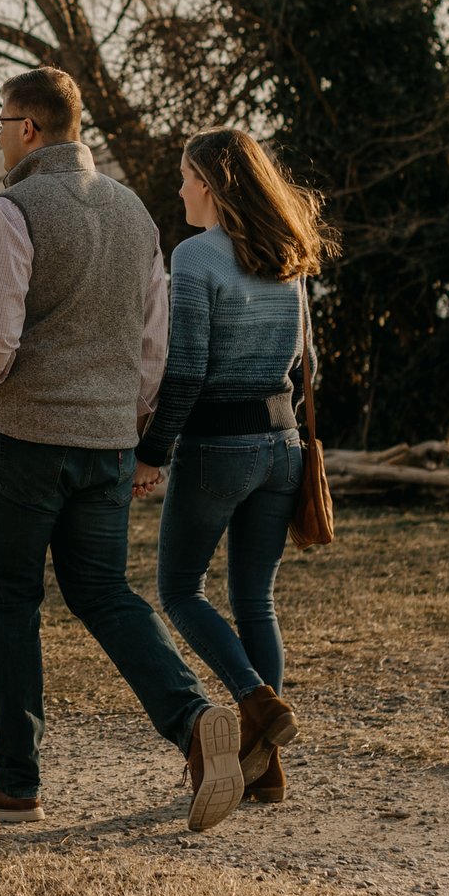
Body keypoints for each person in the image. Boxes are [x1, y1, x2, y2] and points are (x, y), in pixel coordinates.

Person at [0, 67, 242, 832]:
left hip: (23, 443)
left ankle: (15, 778)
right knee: (106, 593)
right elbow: (154, 346)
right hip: (107, 446)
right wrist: (134, 425)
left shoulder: (11, 211)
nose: (1, 134)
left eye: (4, 121)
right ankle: (194, 723)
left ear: (30, 129)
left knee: (11, 600)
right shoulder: (136, 213)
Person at [138, 128, 330, 806]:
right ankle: (265, 767)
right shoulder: (287, 255)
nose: (180, 188)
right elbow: (305, 365)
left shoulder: (194, 258)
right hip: (283, 444)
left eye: (188, 176)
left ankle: (254, 698)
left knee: (179, 588)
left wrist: (152, 451)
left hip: (217, 446)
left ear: (214, 184)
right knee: (256, 599)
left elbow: (184, 370)